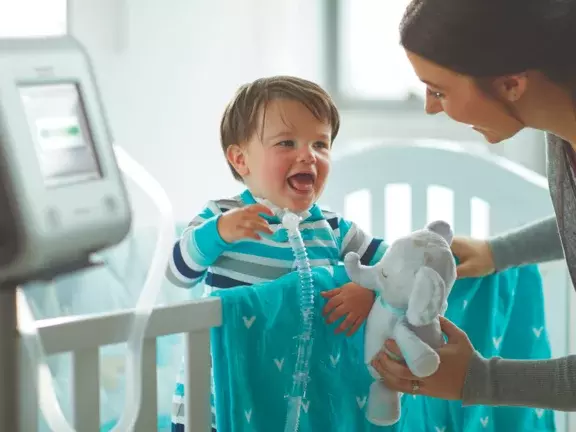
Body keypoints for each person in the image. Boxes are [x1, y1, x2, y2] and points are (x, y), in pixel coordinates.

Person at [370, 0, 576, 411]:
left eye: (440, 90)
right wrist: (498, 251)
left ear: (512, 84)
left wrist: (483, 380)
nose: (430, 106)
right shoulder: (561, 135)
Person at [166, 76, 387, 431]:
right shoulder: (223, 217)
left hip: (300, 397)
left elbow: (393, 267)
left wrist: (371, 290)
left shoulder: (333, 229)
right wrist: (217, 234)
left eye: (321, 143)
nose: (308, 155)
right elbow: (178, 272)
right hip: (216, 396)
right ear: (240, 160)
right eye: (287, 142)